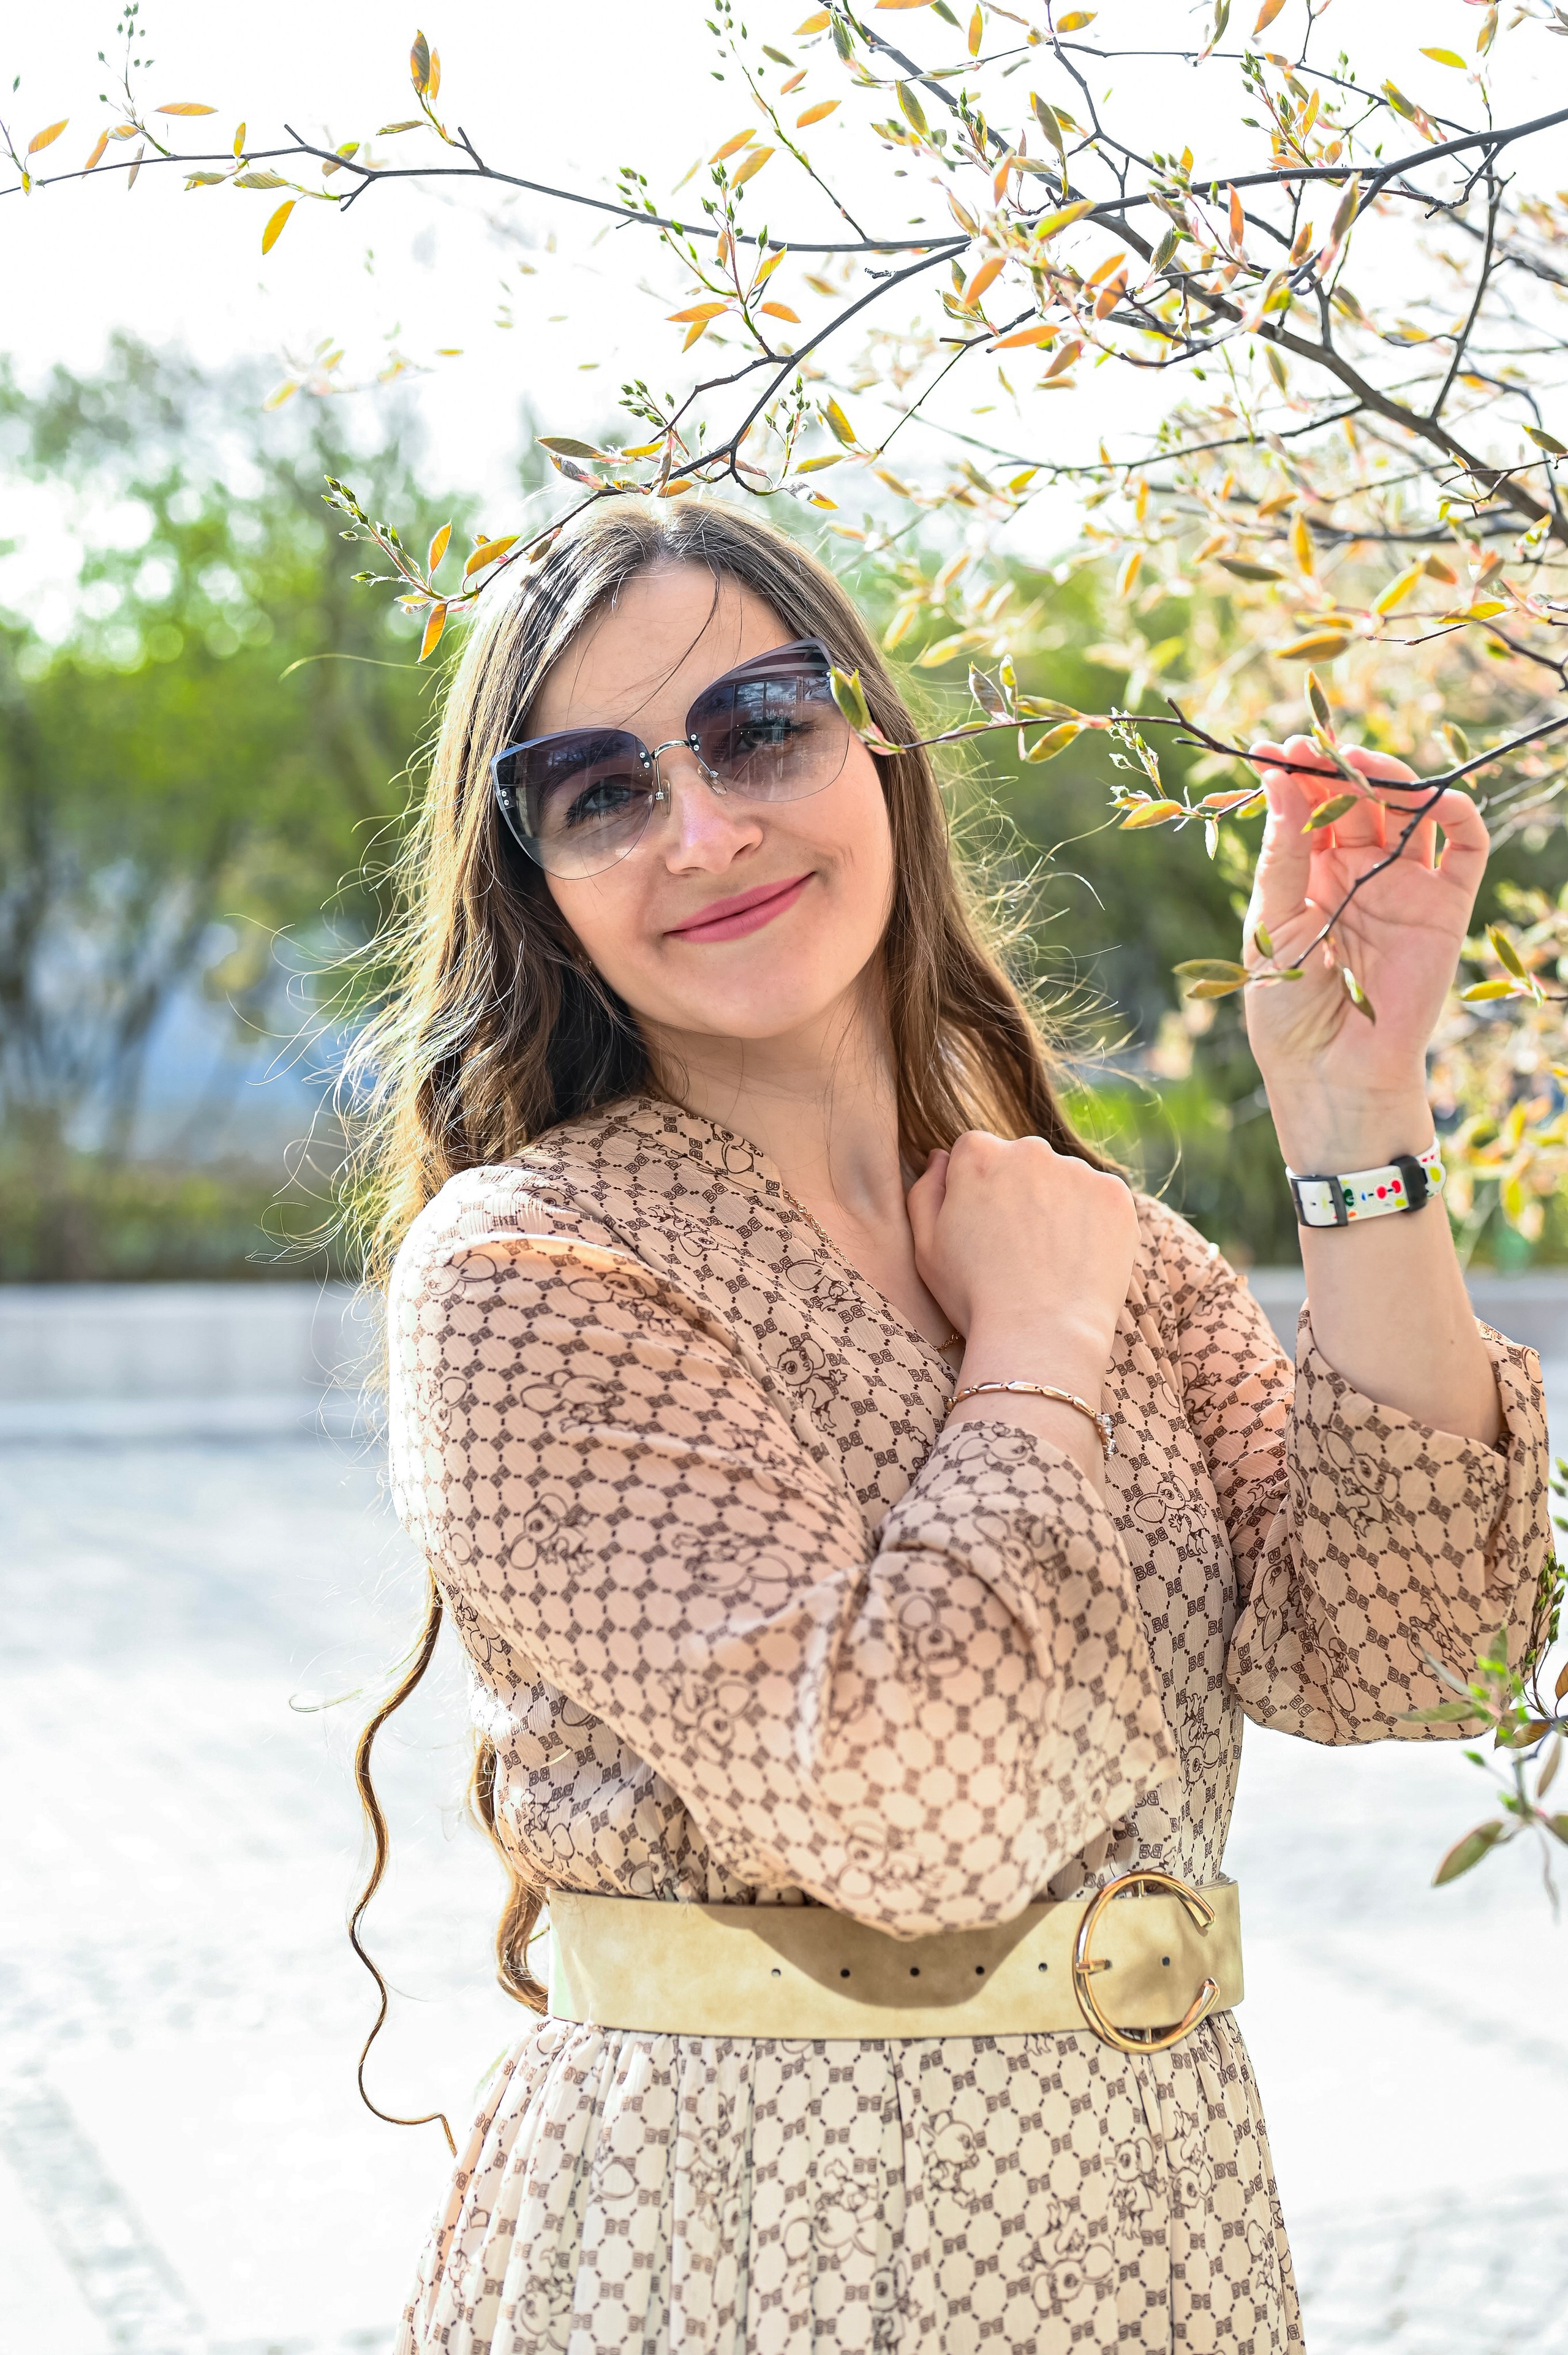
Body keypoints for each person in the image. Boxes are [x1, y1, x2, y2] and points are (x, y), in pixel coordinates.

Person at [357, 497, 1548, 2355]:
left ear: (881, 750)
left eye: (759, 727)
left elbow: (1424, 1653)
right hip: (744, 2240)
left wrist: (1351, 1111)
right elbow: (915, 1810)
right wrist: (1036, 1346)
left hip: (1154, 2230)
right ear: (541, 885)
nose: (702, 827)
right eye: (599, 790)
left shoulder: (1087, 1236)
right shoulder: (530, 1272)